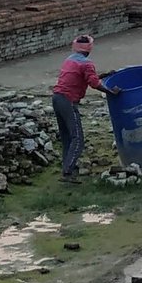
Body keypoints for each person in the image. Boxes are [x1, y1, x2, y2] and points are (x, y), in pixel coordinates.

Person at [52, 33, 117, 181]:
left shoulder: (69, 60)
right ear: (89, 49)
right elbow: (94, 83)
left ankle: (67, 166)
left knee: (67, 136)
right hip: (68, 101)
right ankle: (67, 172)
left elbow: (87, 78)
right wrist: (110, 92)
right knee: (78, 138)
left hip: (57, 98)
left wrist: (105, 75)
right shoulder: (87, 63)